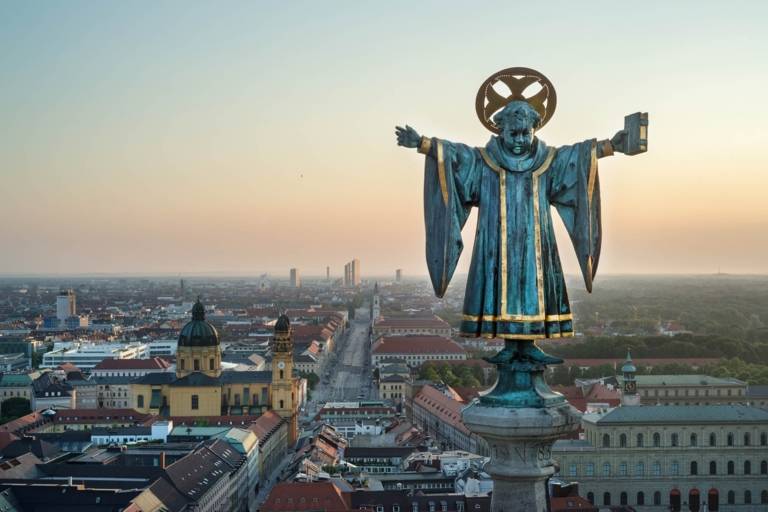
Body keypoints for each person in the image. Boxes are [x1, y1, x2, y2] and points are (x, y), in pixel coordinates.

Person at [396, 100, 624, 364]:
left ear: (534, 131)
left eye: (526, 133)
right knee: (500, 284)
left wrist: (611, 145)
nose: (520, 139)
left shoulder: (547, 160)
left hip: (536, 240)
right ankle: (508, 345)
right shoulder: (484, 162)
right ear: (500, 131)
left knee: (533, 285)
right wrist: (422, 143)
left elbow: (576, 158)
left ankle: (529, 346)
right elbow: (455, 157)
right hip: (495, 239)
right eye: (513, 133)